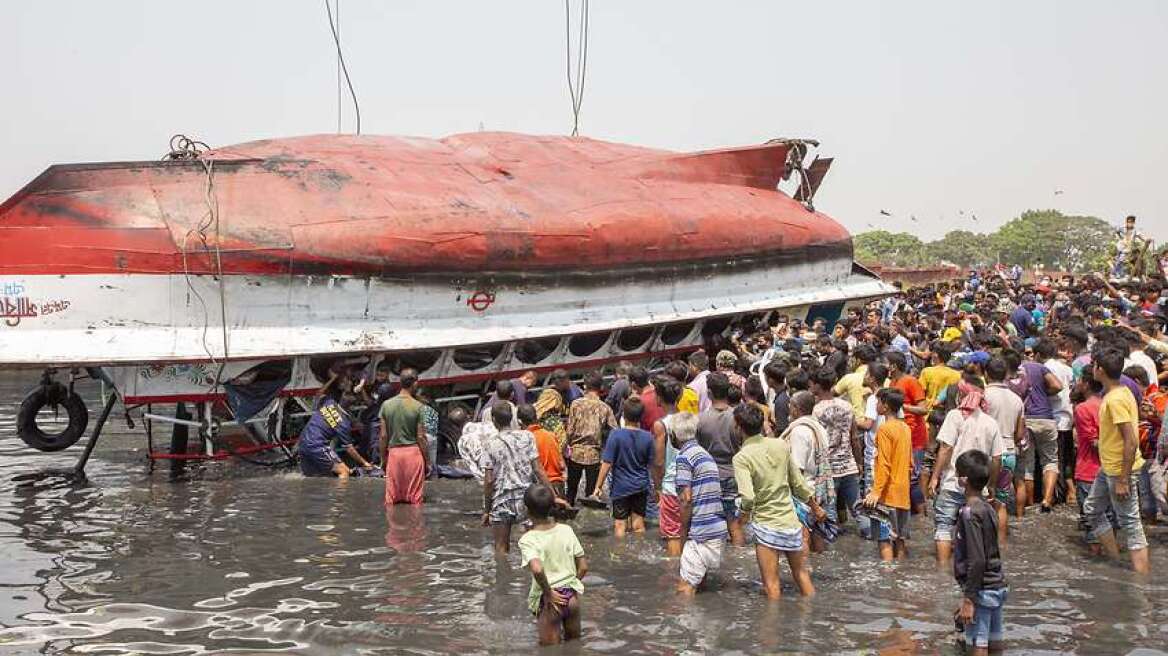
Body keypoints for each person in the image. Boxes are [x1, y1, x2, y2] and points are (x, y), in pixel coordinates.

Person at [733, 403, 827, 599]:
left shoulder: (742, 457)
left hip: (766, 525)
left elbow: (748, 497)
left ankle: (772, 628)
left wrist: (742, 517)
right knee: (802, 576)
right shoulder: (780, 445)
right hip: (790, 522)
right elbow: (799, 485)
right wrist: (816, 508)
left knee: (771, 585)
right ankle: (811, 618)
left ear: (738, 427)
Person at [1082, 348, 1150, 573]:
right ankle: (1116, 562)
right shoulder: (1118, 393)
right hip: (1109, 466)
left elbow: (1130, 440)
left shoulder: (1116, 399)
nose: (1092, 369)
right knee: (1091, 509)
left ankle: (1141, 579)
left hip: (1120, 470)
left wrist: (1123, 478)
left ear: (1100, 370)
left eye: (1094, 365)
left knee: (1131, 524)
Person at [930, 376, 1004, 564]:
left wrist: (935, 477)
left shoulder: (955, 416)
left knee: (944, 527)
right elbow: (996, 459)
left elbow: (945, 449)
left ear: (962, 395)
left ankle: (943, 570)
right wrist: (991, 485)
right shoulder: (990, 422)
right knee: (974, 530)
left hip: (952, 483)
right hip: (978, 488)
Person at [481, 403, 561, 554]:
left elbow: (489, 480)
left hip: (502, 502)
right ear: (512, 418)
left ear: (493, 419)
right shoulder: (527, 436)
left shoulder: (490, 444)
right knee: (531, 547)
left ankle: (505, 577)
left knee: (501, 549)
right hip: (526, 500)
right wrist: (553, 495)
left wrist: (486, 510)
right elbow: (538, 469)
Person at [952, 450, 1008, 656]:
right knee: (993, 642)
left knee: (978, 643)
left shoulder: (968, 513)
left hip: (981, 591)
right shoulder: (989, 508)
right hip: (996, 586)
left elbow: (976, 560)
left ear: (964, 480)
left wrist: (969, 599)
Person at [518, 484, 588, 646]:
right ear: (551, 507)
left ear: (527, 511)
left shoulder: (528, 539)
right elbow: (583, 567)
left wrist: (548, 592)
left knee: (550, 650)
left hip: (550, 602)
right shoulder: (566, 530)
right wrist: (571, 585)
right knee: (574, 646)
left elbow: (537, 568)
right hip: (571, 598)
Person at [672, 412, 729, 595]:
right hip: (717, 530)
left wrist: (684, 531)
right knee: (701, 587)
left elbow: (686, 499)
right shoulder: (705, 454)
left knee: (684, 591)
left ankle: (684, 624)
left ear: (674, 435)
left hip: (701, 533)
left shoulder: (684, 457)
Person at [780, 390, 835, 553]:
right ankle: (817, 567)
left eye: (790, 406)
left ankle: (804, 572)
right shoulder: (819, 427)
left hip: (805, 492)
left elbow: (797, 469)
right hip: (820, 489)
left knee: (802, 536)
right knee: (817, 535)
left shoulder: (799, 431)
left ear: (796, 408)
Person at [592, 397, 654, 537]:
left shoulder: (616, 435)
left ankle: (620, 554)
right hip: (641, 486)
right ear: (641, 416)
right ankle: (639, 554)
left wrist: (598, 486)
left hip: (621, 488)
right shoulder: (648, 437)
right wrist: (657, 488)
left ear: (624, 415)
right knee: (638, 524)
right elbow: (653, 466)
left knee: (620, 524)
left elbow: (607, 463)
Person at [695, 373, 745, 546]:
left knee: (710, 523)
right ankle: (738, 562)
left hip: (710, 477)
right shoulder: (738, 418)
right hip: (734, 475)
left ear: (709, 393)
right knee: (734, 523)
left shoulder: (701, 420)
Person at [863, 388, 912, 561]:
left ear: (885, 406)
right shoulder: (905, 428)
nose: (876, 405)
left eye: (878, 402)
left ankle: (888, 577)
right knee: (900, 539)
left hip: (887, 494)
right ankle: (900, 575)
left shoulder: (884, 430)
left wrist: (876, 492)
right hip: (903, 492)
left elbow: (883, 463)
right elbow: (910, 462)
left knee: (884, 540)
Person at [811, 367, 862, 527]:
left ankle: (830, 548)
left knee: (829, 514)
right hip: (849, 466)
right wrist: (859, 462)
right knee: (859, 511)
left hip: (828, 471)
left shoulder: (816, 411)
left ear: (817, 386)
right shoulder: (846, 406)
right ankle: (873, 537)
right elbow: (854, 438)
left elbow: (815, 443)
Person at [298, 377, 372, 478]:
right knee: (344, 471)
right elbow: (349, 449)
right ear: (352, 407)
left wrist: (333, 378)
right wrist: (364, 463)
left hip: (303, 441)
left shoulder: (328, 402)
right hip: (317, 446)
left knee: (313, 476)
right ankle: (339, 494)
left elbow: (319, 393)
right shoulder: (343, 424)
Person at [984, 358, 1026, 526]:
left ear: (986, 374)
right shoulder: (1017, 399)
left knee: (982, 499)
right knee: (1001, 502)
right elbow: (1020, 432)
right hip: (1009, 453)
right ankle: (1001, 543)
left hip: (987, 453)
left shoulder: (983, 395)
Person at [564, 371, 618, 506]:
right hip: (594, 454)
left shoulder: (576, 404)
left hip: (575, 453)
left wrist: (566, 446)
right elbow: (615, 431)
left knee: (571, 491)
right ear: (600, 387)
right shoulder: (605, 408)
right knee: (591, 493)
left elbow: (570, 430)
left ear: (585, 385)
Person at [886, 352, 929, 513]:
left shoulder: (911, 382)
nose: (884, 366)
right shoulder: (892, 383)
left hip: (915, 437)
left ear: (894, 366)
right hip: (899, 436)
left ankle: (922, 516)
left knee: (913, 478)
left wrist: (902, 406)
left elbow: (923, 409)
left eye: (886, 362)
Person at [380, 368, 429, 505]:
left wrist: (383, 458)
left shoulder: (386, 405)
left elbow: (383, 436)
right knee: (416, 501)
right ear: (414, 383)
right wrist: (428, 461)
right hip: (413, 454)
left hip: (394, 455)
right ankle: (415, 526)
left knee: (391, 501)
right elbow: (421, 437)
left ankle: (392, 526)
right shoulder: (418, 406)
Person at [652, 377, 686, 556]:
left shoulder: (660, 425)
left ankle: (675, 573)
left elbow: (658, 461)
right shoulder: (689, 420)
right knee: (686, 530)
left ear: (659, 398)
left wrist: (657, 487)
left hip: (671, 484)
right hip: (689, 483)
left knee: (672, 533)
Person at [521, 403, 566, 498]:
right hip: (558, 485)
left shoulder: (525, 440)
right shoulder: (551, 435)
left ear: (520, 422)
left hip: (541, 491)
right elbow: (562, 465)